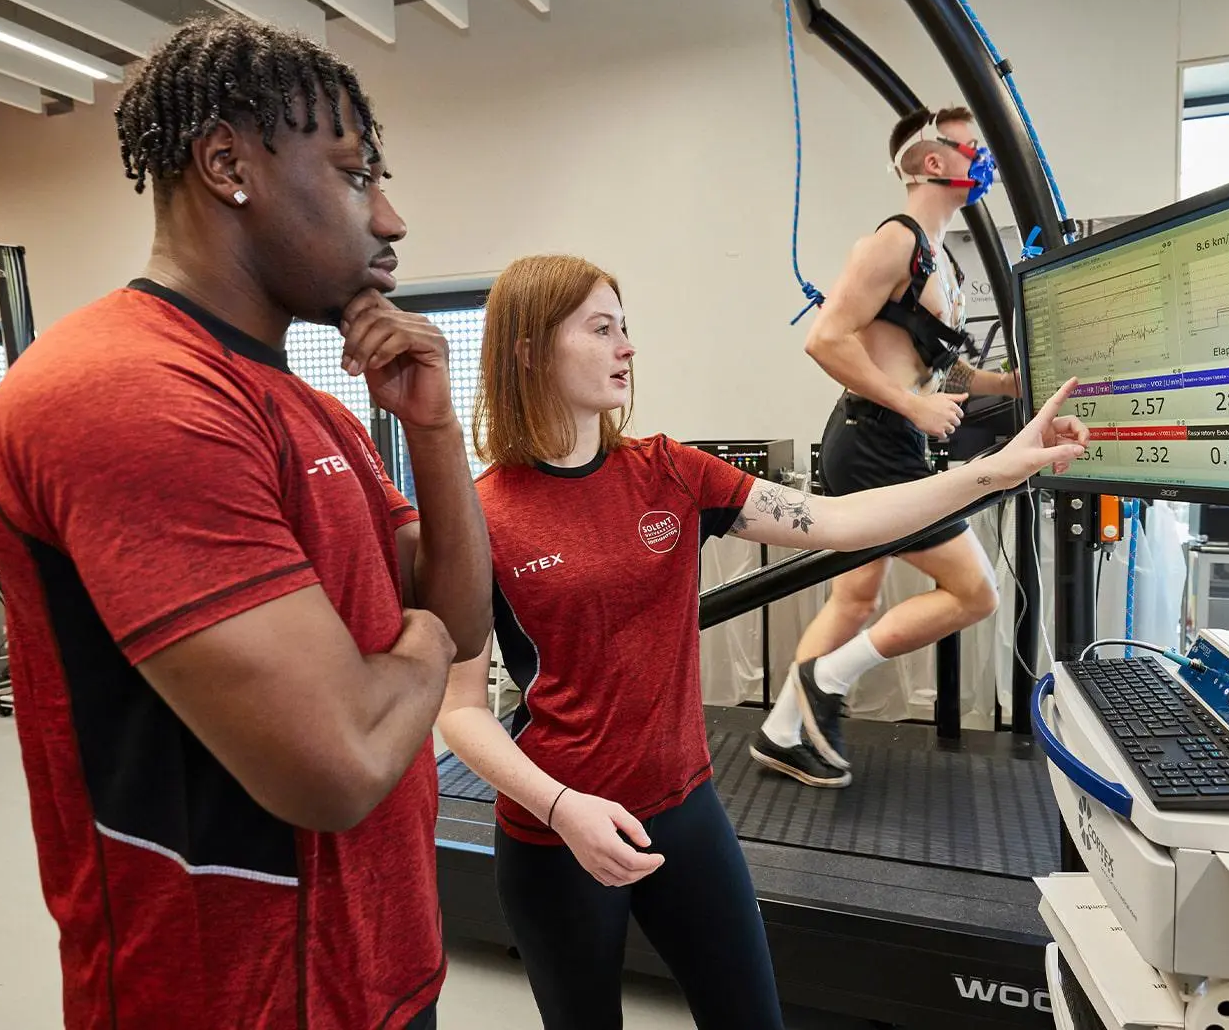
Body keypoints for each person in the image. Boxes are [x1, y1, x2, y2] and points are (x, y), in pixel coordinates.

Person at [0, 16, 491, 1030]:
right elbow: (337, 762)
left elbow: (463, 619)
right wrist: (418, 635)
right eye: (353, 174)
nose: (388, 218)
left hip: (376, 962)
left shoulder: (307, 401)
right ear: (227, 164)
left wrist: (431, 433)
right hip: (229, 995)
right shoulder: (127, 391)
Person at [435, 254, 1085, 1029]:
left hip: (686, 809)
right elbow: (459, 710)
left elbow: (842, 521)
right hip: (557, 830)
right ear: (529, 351)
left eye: (627, 328)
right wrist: (562, 806)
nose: (627, 348)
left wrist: (998, 470)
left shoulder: (668, 473)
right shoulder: (479, 516)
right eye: (602, 329)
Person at [763, 105, 1019, 781]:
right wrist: (912, 405)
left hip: (884, 436)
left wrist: (1010, 385)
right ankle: (828, 679)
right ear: (935, 162)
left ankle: (780, 730)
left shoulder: (941, 264)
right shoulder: (894, 241)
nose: (983, 158)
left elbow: (939, 367)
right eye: (973, 147)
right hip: (874, 442)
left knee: (855, 598)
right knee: (976, 592)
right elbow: (825, 339)